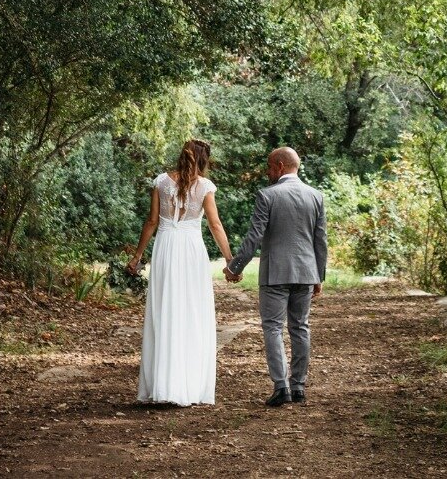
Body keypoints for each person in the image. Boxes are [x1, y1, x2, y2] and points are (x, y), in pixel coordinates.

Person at [126, 138, 233, 405]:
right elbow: (215, 224)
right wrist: (230, 260)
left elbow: (151, 222)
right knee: (192, 312)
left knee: (164, 310)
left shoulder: (161, 182)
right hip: (191, 250)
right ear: (204, 160)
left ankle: (163, 385)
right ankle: (188, 385)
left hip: (166, 248)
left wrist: (137, 257)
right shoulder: (205, 187)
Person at [223, 146, 327, 407]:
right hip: (305, 272)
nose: (268, 172)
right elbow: (320, 241)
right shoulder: (316, 196)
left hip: (275, 274)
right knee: (300, 326)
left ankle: (281, 387)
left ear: (280, 166)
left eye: (270, 167)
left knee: (273, 328)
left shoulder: (267, 195)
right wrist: (319, 276)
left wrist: (235, 267)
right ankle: (299, 386)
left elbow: (254, 237)